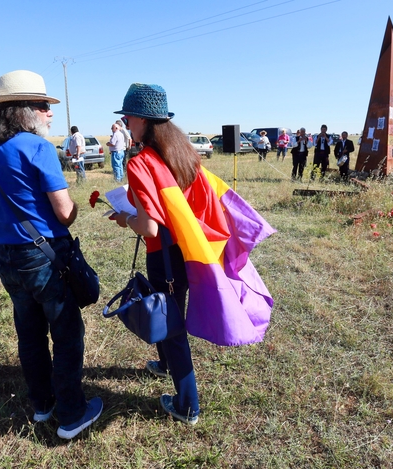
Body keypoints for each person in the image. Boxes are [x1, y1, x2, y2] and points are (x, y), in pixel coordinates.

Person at [108, 83, 275, 426]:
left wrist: (125, 218)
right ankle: (164, 365)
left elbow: (149, 227)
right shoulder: (182, 153)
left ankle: (187, 406)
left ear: (141, 119)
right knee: (169, 312)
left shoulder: (141, 163)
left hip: (164, 256)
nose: (125, 120)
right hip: (188, 250)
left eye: (128, 115)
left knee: (172, 327)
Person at [0, 70, 102, 440]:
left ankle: (42, 406)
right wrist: (76, 208)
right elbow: (64, 213)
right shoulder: (39, 148)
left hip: (8, 257)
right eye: (44, 106)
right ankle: (72, 415)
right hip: (44, 256)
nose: (49, 113)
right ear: (23, 111)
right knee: (66, 333)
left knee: (29, 335)